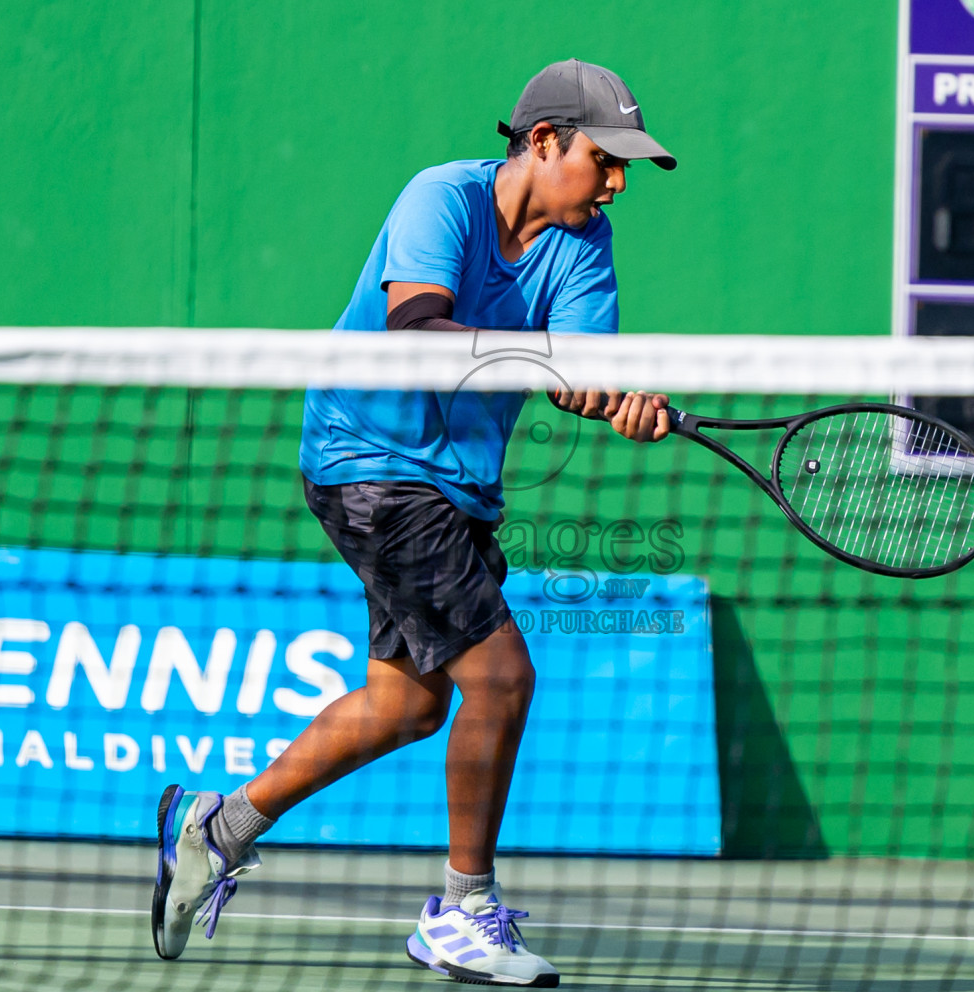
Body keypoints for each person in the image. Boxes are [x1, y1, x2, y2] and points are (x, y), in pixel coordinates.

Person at [151, 59, 675, 987]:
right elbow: (418, 330)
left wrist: (617, 398)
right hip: (370, 459)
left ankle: (216, 826)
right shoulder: (443, 198)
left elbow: (583, 367)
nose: (617, 182)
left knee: (411, 702)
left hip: (458, 486)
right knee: (503, 679)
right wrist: (562, 365)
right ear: (543, 142)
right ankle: (463, 910)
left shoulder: (585, 241)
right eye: (604, 158)